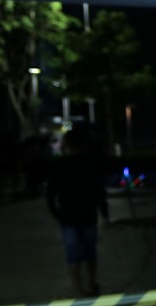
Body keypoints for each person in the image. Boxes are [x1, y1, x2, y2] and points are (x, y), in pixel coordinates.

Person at [46, 125, 110, 297]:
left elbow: (50, 193)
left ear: (66, 145)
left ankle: (76, 287)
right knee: (90, 251)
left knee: (72, 252)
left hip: (67, 216)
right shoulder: (91, 164)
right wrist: (104, 215)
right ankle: (90, 284)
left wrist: (56, 213)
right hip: (88, 214)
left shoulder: (58, 165)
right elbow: (99, 192)